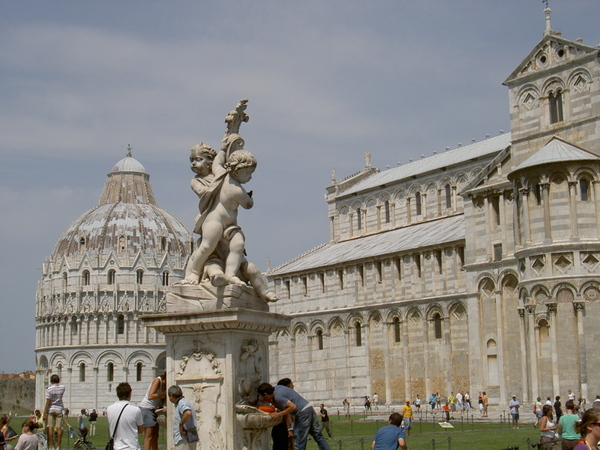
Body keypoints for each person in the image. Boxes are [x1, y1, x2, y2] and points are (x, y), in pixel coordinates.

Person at [257, 382, 331, 450]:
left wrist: (279, 414)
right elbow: (285, 406)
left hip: (302, 413)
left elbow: (293, 407)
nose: (263, 399)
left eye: (263, 396)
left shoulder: (278, 396)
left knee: (299, 441)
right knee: (317, 435)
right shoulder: (278, 388)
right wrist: (271, 402)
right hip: (308, 408)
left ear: (265, 394)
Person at [107, 382, 143, 450]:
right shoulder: (136, 410)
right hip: (132, 447)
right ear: (130, 394)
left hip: (116, 447)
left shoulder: (109, 409)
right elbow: (141, 430)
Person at [138, 373, 166, 450]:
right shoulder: (158, 380)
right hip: (147, 408)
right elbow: (150, 396)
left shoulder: (164, 386)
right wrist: (164, 394)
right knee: (148, 437)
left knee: (155, 436)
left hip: (155, 409)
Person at [167, 385, 198, 450]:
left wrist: (181, 425)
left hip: (183, 439)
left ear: (171, 395)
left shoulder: (182, 402)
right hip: (188, 437)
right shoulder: (183, 402)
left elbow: (188, 413)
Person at [42, 374, 65, 450]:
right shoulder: (62, 388)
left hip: (51, 409)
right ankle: (58, 445)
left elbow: (48, 402)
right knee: (59, 428)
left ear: (51, 381)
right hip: (59, 409)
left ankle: (51, 446)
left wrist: (45, 413)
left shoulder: (49, 389)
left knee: (50, 428)